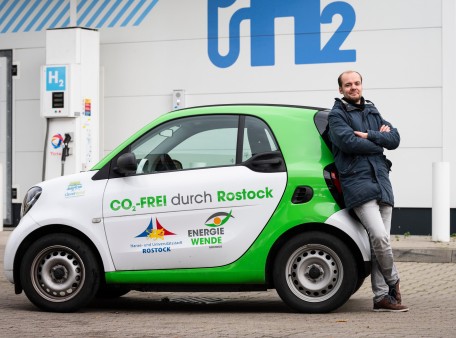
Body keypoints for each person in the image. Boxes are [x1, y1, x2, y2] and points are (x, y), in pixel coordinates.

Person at [328, 70, 409, 312]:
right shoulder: (336, 115)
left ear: (362, 85)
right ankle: (394, 281)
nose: (353, 88)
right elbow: (348, 143)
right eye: (348, 85)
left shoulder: (373, 110)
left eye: (357, 83)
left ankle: (381, 297)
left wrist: (369, 136)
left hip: (381, 182)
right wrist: (378, 143)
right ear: (341, 90)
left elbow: (394, 139)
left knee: (379, 244)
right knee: (380, 237)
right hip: (358, 184)